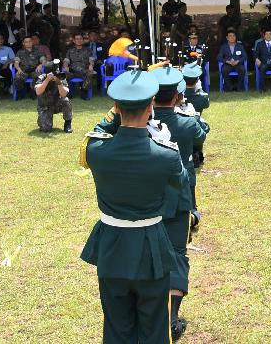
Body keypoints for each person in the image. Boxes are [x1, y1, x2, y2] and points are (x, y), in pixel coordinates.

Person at [79, 69, 186, 344]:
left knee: (116, 327)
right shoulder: (166, 154)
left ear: (116, 108)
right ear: (151, 108)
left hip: (112, 247)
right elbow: (180, 183)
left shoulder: (96, 151)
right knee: (154, 327)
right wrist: (161, 140)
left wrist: (115, 114)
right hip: (151, 249)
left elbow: (99, 132)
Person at [150, 66, 207, 340]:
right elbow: (201, 136)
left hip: (147, 197)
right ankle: (171, 318)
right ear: (176, 96)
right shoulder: (185, 121)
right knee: (176, 254)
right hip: (178, 196)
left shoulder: (141, 124)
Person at [35, 65, 72, 133]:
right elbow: (38, 92)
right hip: (45, 106)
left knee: (66, 100)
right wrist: (47, 80)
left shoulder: (61, 77)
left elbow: (63, 94)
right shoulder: (41, 77)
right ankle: (42, 118)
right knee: (45, 129)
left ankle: (68, 124)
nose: (56, 74)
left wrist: (59, 83)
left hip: (56, 104)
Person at [63, 33, 96, 100]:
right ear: (74, 41)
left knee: (91, 73)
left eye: (81, 39)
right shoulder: (70, 50)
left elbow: (91, 59)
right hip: (73, 71)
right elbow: (66, 60)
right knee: (64, 73)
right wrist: (65, 66)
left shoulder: (88, 50)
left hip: (84, 70)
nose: (79, 40)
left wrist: (91, 65)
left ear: (83, 40)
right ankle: (69, 93)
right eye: (77, 39)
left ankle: (83, 92)